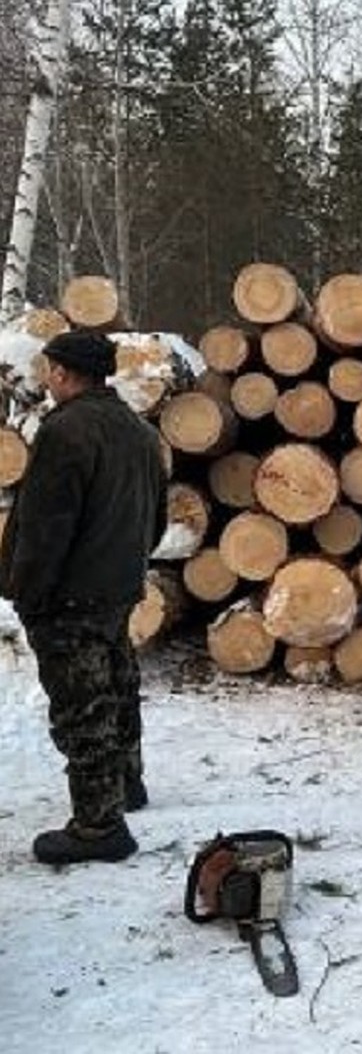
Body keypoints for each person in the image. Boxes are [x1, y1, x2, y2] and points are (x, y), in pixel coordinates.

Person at [0, 330, 167, 865]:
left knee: (82, 703)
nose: (46, 378)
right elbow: (157, 518)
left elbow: (46, 526)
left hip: (70, 593)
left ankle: (98, 827)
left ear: (64, 373)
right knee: (117, 681)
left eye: (50, 369)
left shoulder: (65, 431)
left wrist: (26, 591)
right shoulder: (138, 431)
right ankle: (124, 783)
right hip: (117, 584)